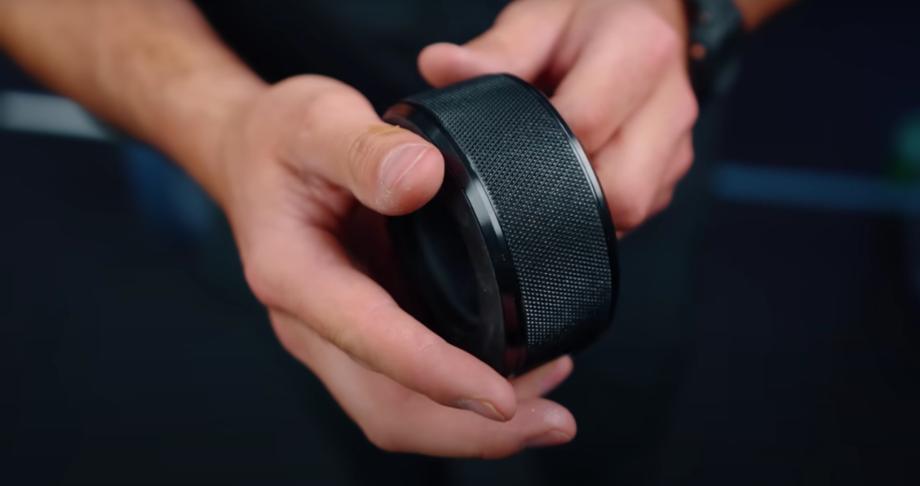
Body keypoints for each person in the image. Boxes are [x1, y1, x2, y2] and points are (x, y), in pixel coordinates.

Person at [0, 0, 792, 458]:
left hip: (620, 158)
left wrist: (687, 12)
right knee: (348, 413)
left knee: (606, 428)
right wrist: (220, 125)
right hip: (272, 151)